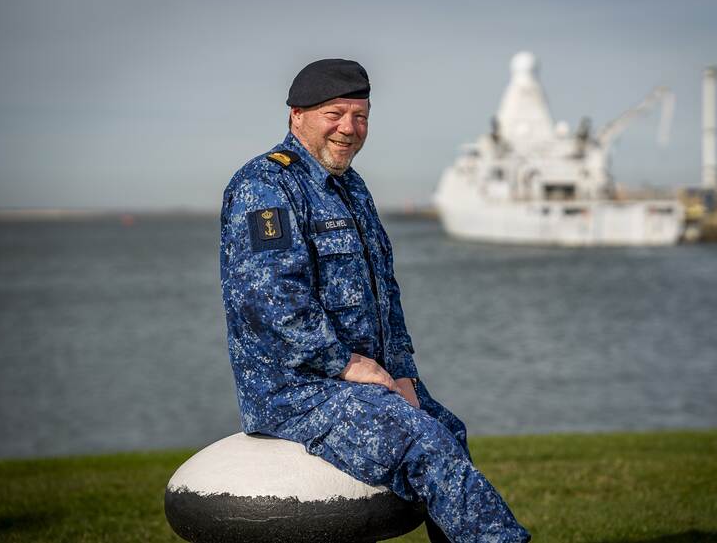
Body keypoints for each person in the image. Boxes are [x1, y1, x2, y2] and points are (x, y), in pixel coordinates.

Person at [220, 58, 531, 543]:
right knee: (426, 446)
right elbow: (273, 301)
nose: (350, 128)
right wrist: (347, 365)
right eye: (335, 114)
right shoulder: (266, 186)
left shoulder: (351, 187)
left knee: (449, 430)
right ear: (297, 115)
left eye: (360, 115)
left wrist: (401, 371)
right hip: (296, 391)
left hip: (366, 376)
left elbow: (385, 293)